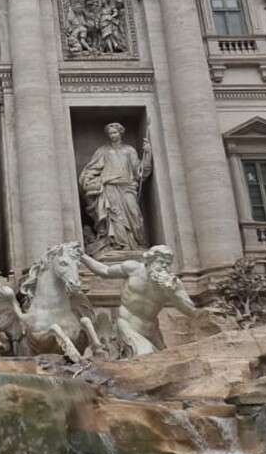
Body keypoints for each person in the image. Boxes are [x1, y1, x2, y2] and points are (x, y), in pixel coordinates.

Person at [80, 245, 196, 356]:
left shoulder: (173, 283)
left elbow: (190, 310)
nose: (164, 266)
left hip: (152, 332)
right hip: (127, 326)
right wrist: (82, 256)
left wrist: (172, 292)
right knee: (146, 355)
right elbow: (104, 271)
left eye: (168, 264)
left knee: (166, 361)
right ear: (150, 260)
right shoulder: (133, 269)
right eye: (160, 262)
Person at [79, 122, 151, 254]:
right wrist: (88, 180)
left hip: (128, 187)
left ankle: (135, 243)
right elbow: (92, 168)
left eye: (115, 132)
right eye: (110, 133)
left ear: (120, 133)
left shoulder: (129, 150)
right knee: (115, 216)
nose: (112, 135)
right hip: (110, 187)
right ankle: (120, 245)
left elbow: (139, 172)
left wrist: (148, 154)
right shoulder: (103, 151)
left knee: (134, 215)